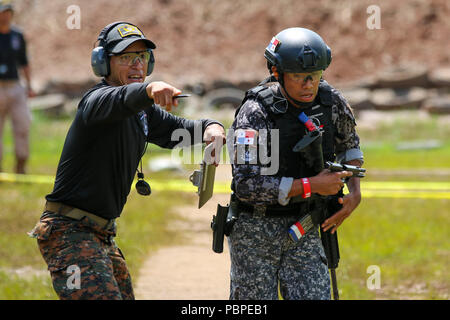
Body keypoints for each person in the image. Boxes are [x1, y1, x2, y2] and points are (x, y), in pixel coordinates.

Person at [28, 21, 225, 300]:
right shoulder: (96, 102)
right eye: (125, 58)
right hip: (70, 232)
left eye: (141, 57)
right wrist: (150, 89)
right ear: (103, 64)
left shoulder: (143, 113)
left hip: (100, 234)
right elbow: (122, 99)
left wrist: (212, 127)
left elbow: (179, 130)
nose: (137, 66)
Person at [227, 27, 363, 300]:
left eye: (315, 76)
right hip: (255, 233)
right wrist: (312, 185)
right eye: (300, 77)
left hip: (306, 227)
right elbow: (246, 185)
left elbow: (350, 146)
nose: (309, 84)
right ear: (277, 73)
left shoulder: (330, 101)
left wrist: (355, 193)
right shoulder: (255, 112)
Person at [0, 0, 34, 174]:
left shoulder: (17, 35)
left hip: (15, 86)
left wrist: (29, 85)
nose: (5, 16)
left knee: (22, 125)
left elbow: (24, 62)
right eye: (3, 12)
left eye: (8, 12)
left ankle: (21, 166)